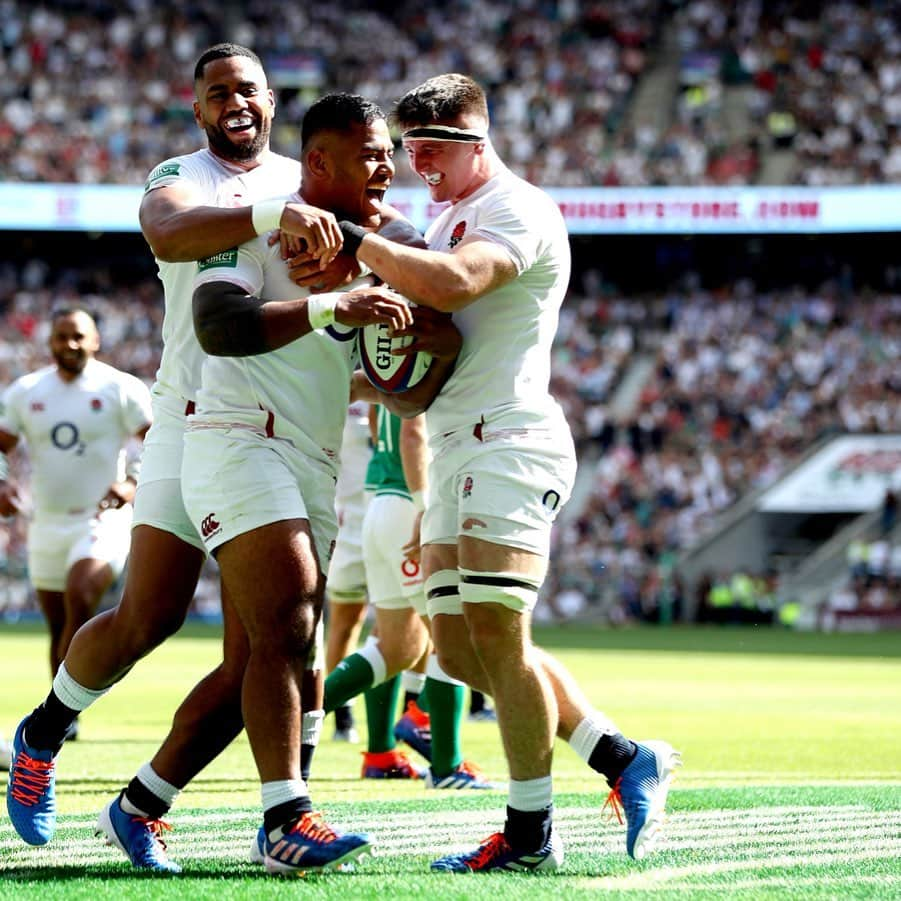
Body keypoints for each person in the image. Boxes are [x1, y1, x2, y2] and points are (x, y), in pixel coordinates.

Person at [336, 73, 681, 872]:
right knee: (458, 655)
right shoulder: (448, 213)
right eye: (412, 148)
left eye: (433, 149)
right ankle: (623, 756)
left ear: (476, 140)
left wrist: (358, 240)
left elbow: (456, 284)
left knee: (499, 631)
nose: (420, 164)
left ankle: (530, 836)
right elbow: (426, 335)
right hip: (457, 442)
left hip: (511, 438)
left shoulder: (513, 207)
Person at [6, 43, 344, 856]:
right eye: (218, 92)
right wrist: (272, 217)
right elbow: (165, 229)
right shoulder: (179, 175)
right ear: (197, 109)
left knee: (263, 643)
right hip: (192, 418)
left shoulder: (307, 177)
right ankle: (42, 733)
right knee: (146, 618)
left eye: (249, 90)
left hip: (278, 428)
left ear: (272, 100)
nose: (235, 102)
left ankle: (164, 804)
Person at [180, 91, 463, 875]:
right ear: (317, 162)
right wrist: (331, 301)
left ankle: (139, 799)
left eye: (389, 153)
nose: (388, 165)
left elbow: (413, 380)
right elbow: (219, 326)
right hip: (232, 436)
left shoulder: (392, 242)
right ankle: (284, 819)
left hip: (314, 458)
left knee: (283, 644)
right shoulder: (262, 220)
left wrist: (410, 329)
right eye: (370, 152)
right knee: (288, 616)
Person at [324, 404, 498, 789]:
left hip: (380, 499)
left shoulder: (386, 353)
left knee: (395, 647)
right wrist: (424, 506)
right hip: (409, 504)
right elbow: (414, 430)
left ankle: (371, 749)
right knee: (450, 632)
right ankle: (445, 762)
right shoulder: (430, 349)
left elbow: (374, 412)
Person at [0, 307, 152, 727]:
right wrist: (2, 484)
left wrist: (132, 482)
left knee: (81, 593)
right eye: (62, 336)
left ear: (96, 340)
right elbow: (1, 447)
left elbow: (158, 441)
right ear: (49, 342)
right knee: (59, 624)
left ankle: (52, 721)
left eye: (79, 336)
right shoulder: (26, 391)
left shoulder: (121, 388)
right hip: (46, 524)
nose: (70, 344)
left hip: (100, 520)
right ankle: (64, 719)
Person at [324, 402, 373, 743]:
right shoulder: (339, 381)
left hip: (397, 506)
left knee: (407, 622)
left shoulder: (404, 373)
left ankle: (411, 715)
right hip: (350, 521)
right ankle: (341, 714)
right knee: (346, 621)